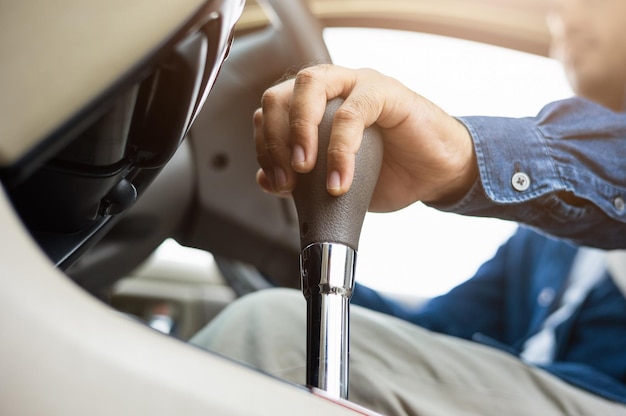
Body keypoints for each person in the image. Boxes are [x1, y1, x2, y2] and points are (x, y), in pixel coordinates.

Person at [191, 0, 626, 414]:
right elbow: (439, 326)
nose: (565, 8)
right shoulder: (543, 236)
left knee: (272, 334)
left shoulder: (561, 186)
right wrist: (269, 246)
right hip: (539, 383)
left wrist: (462, 154)